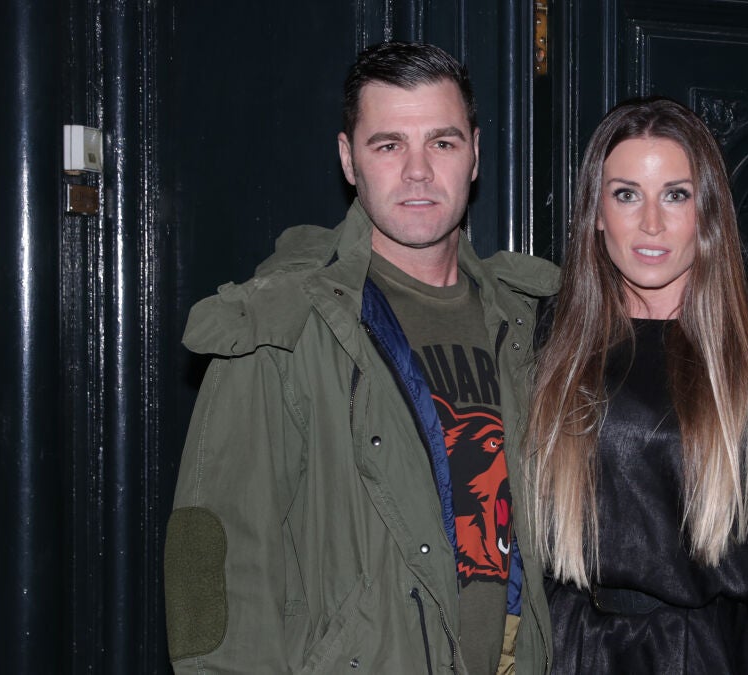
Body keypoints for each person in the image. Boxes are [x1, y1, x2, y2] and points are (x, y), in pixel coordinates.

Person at [163, 41, 556, 674]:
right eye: (389, 145)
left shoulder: (527, 319)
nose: (418, 171)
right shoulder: (284, 324)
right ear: (349, 159)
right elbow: (213, 561)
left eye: (442, 142)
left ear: (476, 154)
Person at [527, 96, 748, 674]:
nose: (651, 224)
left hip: (706, 656)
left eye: (675, 195)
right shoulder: (549, 340)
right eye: (626, 195)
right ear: (596, 212)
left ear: (706, 211)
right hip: (572, 652)